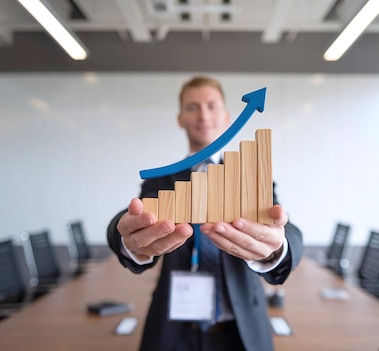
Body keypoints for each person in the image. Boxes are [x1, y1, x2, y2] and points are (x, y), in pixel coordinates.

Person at [107, 75, 303, 351]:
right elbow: (129, 220)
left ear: (226, 115)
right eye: (192, 107)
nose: (203, 114)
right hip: (173, 333)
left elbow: (287, 230)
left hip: (240, 332)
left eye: (211, 105)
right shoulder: (160, 182)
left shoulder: (251, 178)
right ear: (180, 119)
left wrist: (276, 247)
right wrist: (127, 237)